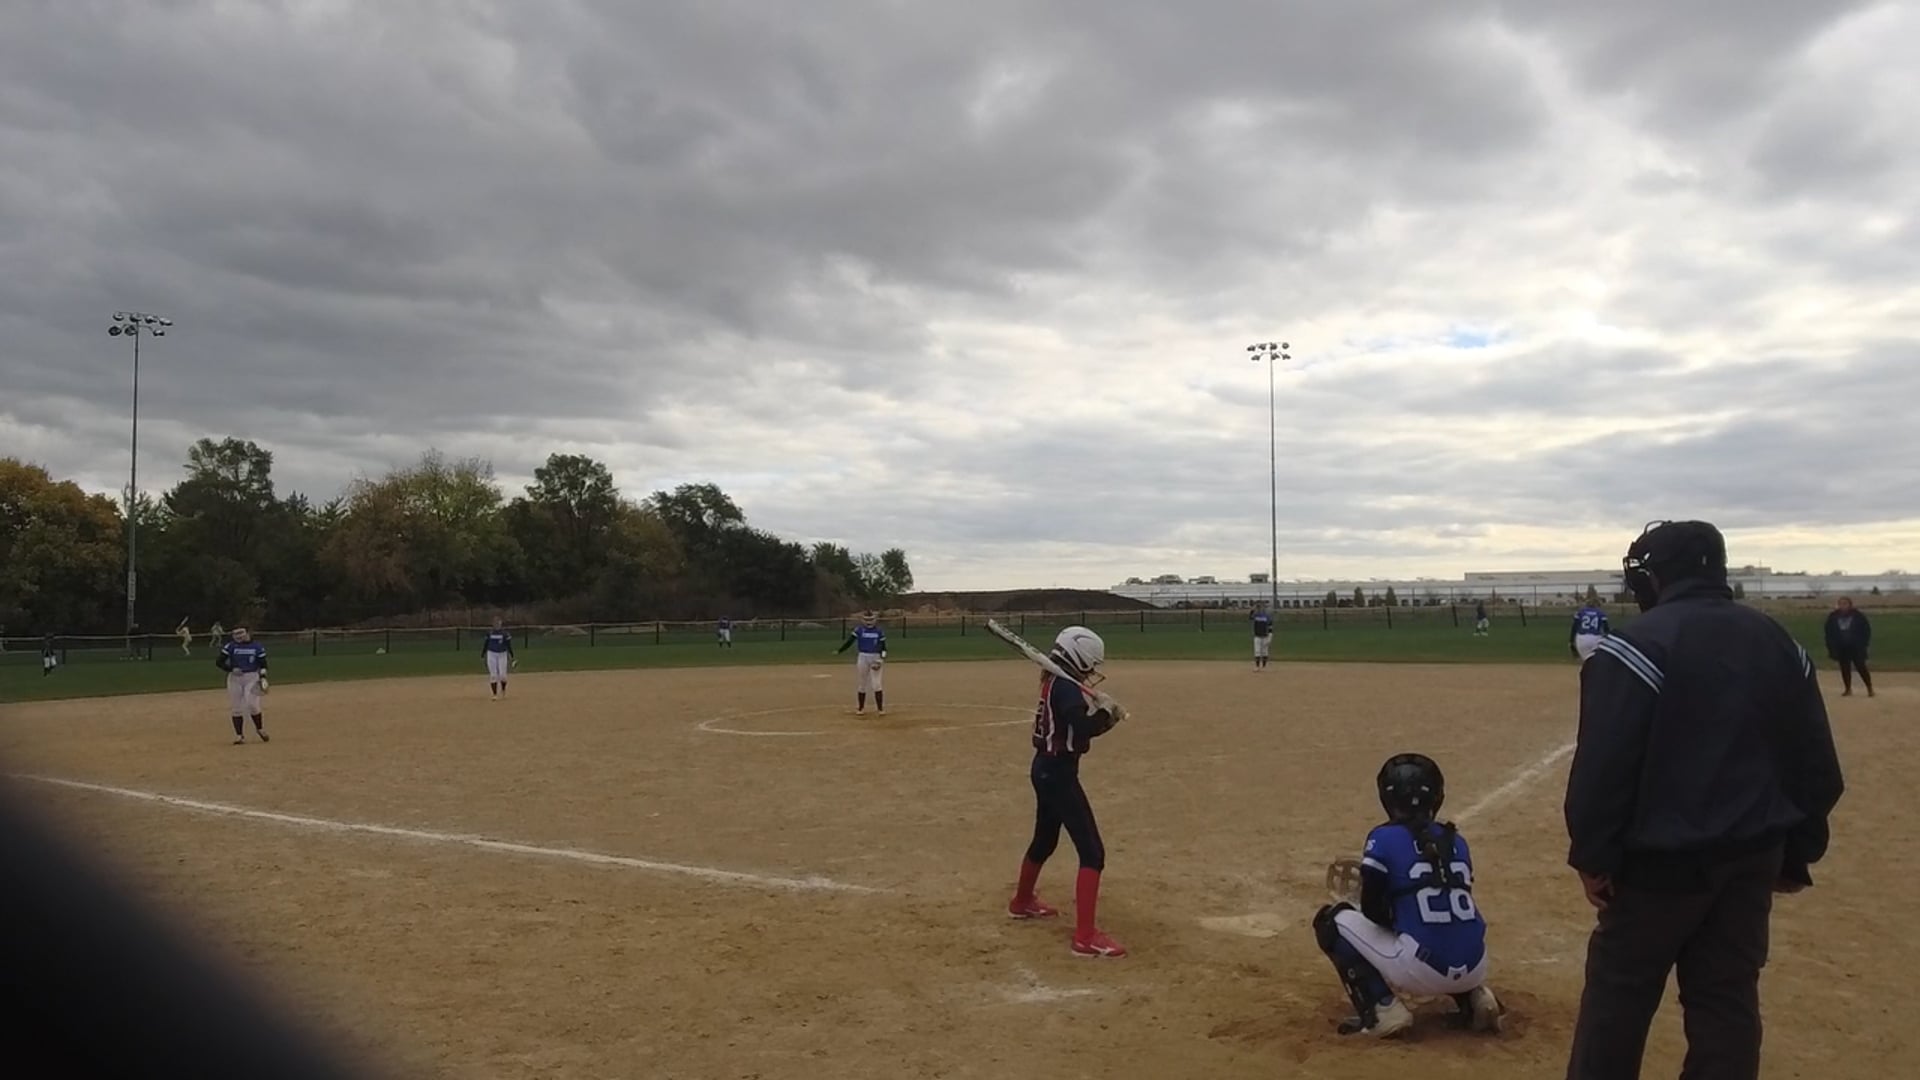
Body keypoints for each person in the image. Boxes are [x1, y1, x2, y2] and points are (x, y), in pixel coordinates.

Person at [1564, 520, 1844, 1079]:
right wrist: (1797, 852)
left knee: (1619, 999)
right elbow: (1813, 762)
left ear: (1657, 577)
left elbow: (1605, 768)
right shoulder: (1778, 641)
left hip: (1660, 864)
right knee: (1726, 999)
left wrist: (1593, 857)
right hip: (1753, 856)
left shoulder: (1635, 645)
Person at [1311, 753, 1501, 1038]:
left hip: (1420, 969)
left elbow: (1374, 911)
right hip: (1477, 964)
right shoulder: (1457, 841)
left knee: (1330, 921)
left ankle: (1382, 1010)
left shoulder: (1383, 837)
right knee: (1448, 930)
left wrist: (1385, 909)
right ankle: (1475, 997)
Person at [1007, 626, 1128, 958]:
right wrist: (1105, 713)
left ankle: (1021, 902)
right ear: (1079, 658)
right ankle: (1085, 937)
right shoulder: (1066, 688)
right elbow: (1083, 728)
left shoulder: (1057, 682)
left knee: (1045, 840)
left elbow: (1078, 727)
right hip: (1058, 774)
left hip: (1046, 769)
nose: (1092, 671)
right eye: (1091, 664)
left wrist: (1105, 715)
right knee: (1092, 853)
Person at [216, 627, 270, 745]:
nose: (238, 636)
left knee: (252, 704)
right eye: (235, 634)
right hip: (235, 679)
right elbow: (219, 662)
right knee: (236, 707)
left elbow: (263, 664)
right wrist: (231, 669)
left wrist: (263, 677)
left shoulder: (257, 646)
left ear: (247, 633)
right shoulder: (230, 646)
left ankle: (259, 729)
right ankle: (239, 736)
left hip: (252, 676)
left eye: (241, 632)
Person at [835, 611, 887, 714]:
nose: (869, 622)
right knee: (862, 682)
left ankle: (880, 709)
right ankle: (861, 708)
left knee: (876, 684)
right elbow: (850, 641)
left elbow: (884, 647)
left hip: (875, 657)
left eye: (871, 619)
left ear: (875, 620)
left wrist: (881, 659)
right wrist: (840, 650)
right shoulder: (859, 630)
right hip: (863, 656)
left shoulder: (879, 631)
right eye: (867, 620)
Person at [1823, 597, 1874, 697]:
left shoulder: (1858, 616)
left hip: (1856, 647)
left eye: (1845, 604)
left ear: (1850, 605)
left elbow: (1866, 630)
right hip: (1841, 647)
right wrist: (1831, 646)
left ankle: (1869, 687)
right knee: (1845, 668)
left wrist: (1864, 643)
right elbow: (1828, 632)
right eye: (1840, 604)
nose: (1842, 606)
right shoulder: (1833, 616)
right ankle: (1848, 689)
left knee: (1861, 667)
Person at [481, 616, 515, 698]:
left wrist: (511, 653)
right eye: (495, 623)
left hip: (502, 654)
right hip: (491, 653)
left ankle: (503, 689)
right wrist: (483, 653)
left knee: (503, 675)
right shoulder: (489, 633)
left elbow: (508, 644)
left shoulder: (505, 634)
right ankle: (494, 694)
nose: (497, 625)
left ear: (501, 624)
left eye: (498, 623)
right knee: (493, 675)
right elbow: (486, 644)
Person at [1250, 603, 1275, 670]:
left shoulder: (1267, 616)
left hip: (1265, 636)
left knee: (1265, 651)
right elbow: (1250, 617)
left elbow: (1270, 626)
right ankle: (1257, 666)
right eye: (1258, 608)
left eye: (1260, 608)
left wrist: (1270, 635)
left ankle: (1264, 666)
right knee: (1257, 651)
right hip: (1257, 636)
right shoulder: (1255, 615)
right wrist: (1252, 609)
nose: (1259, 609)